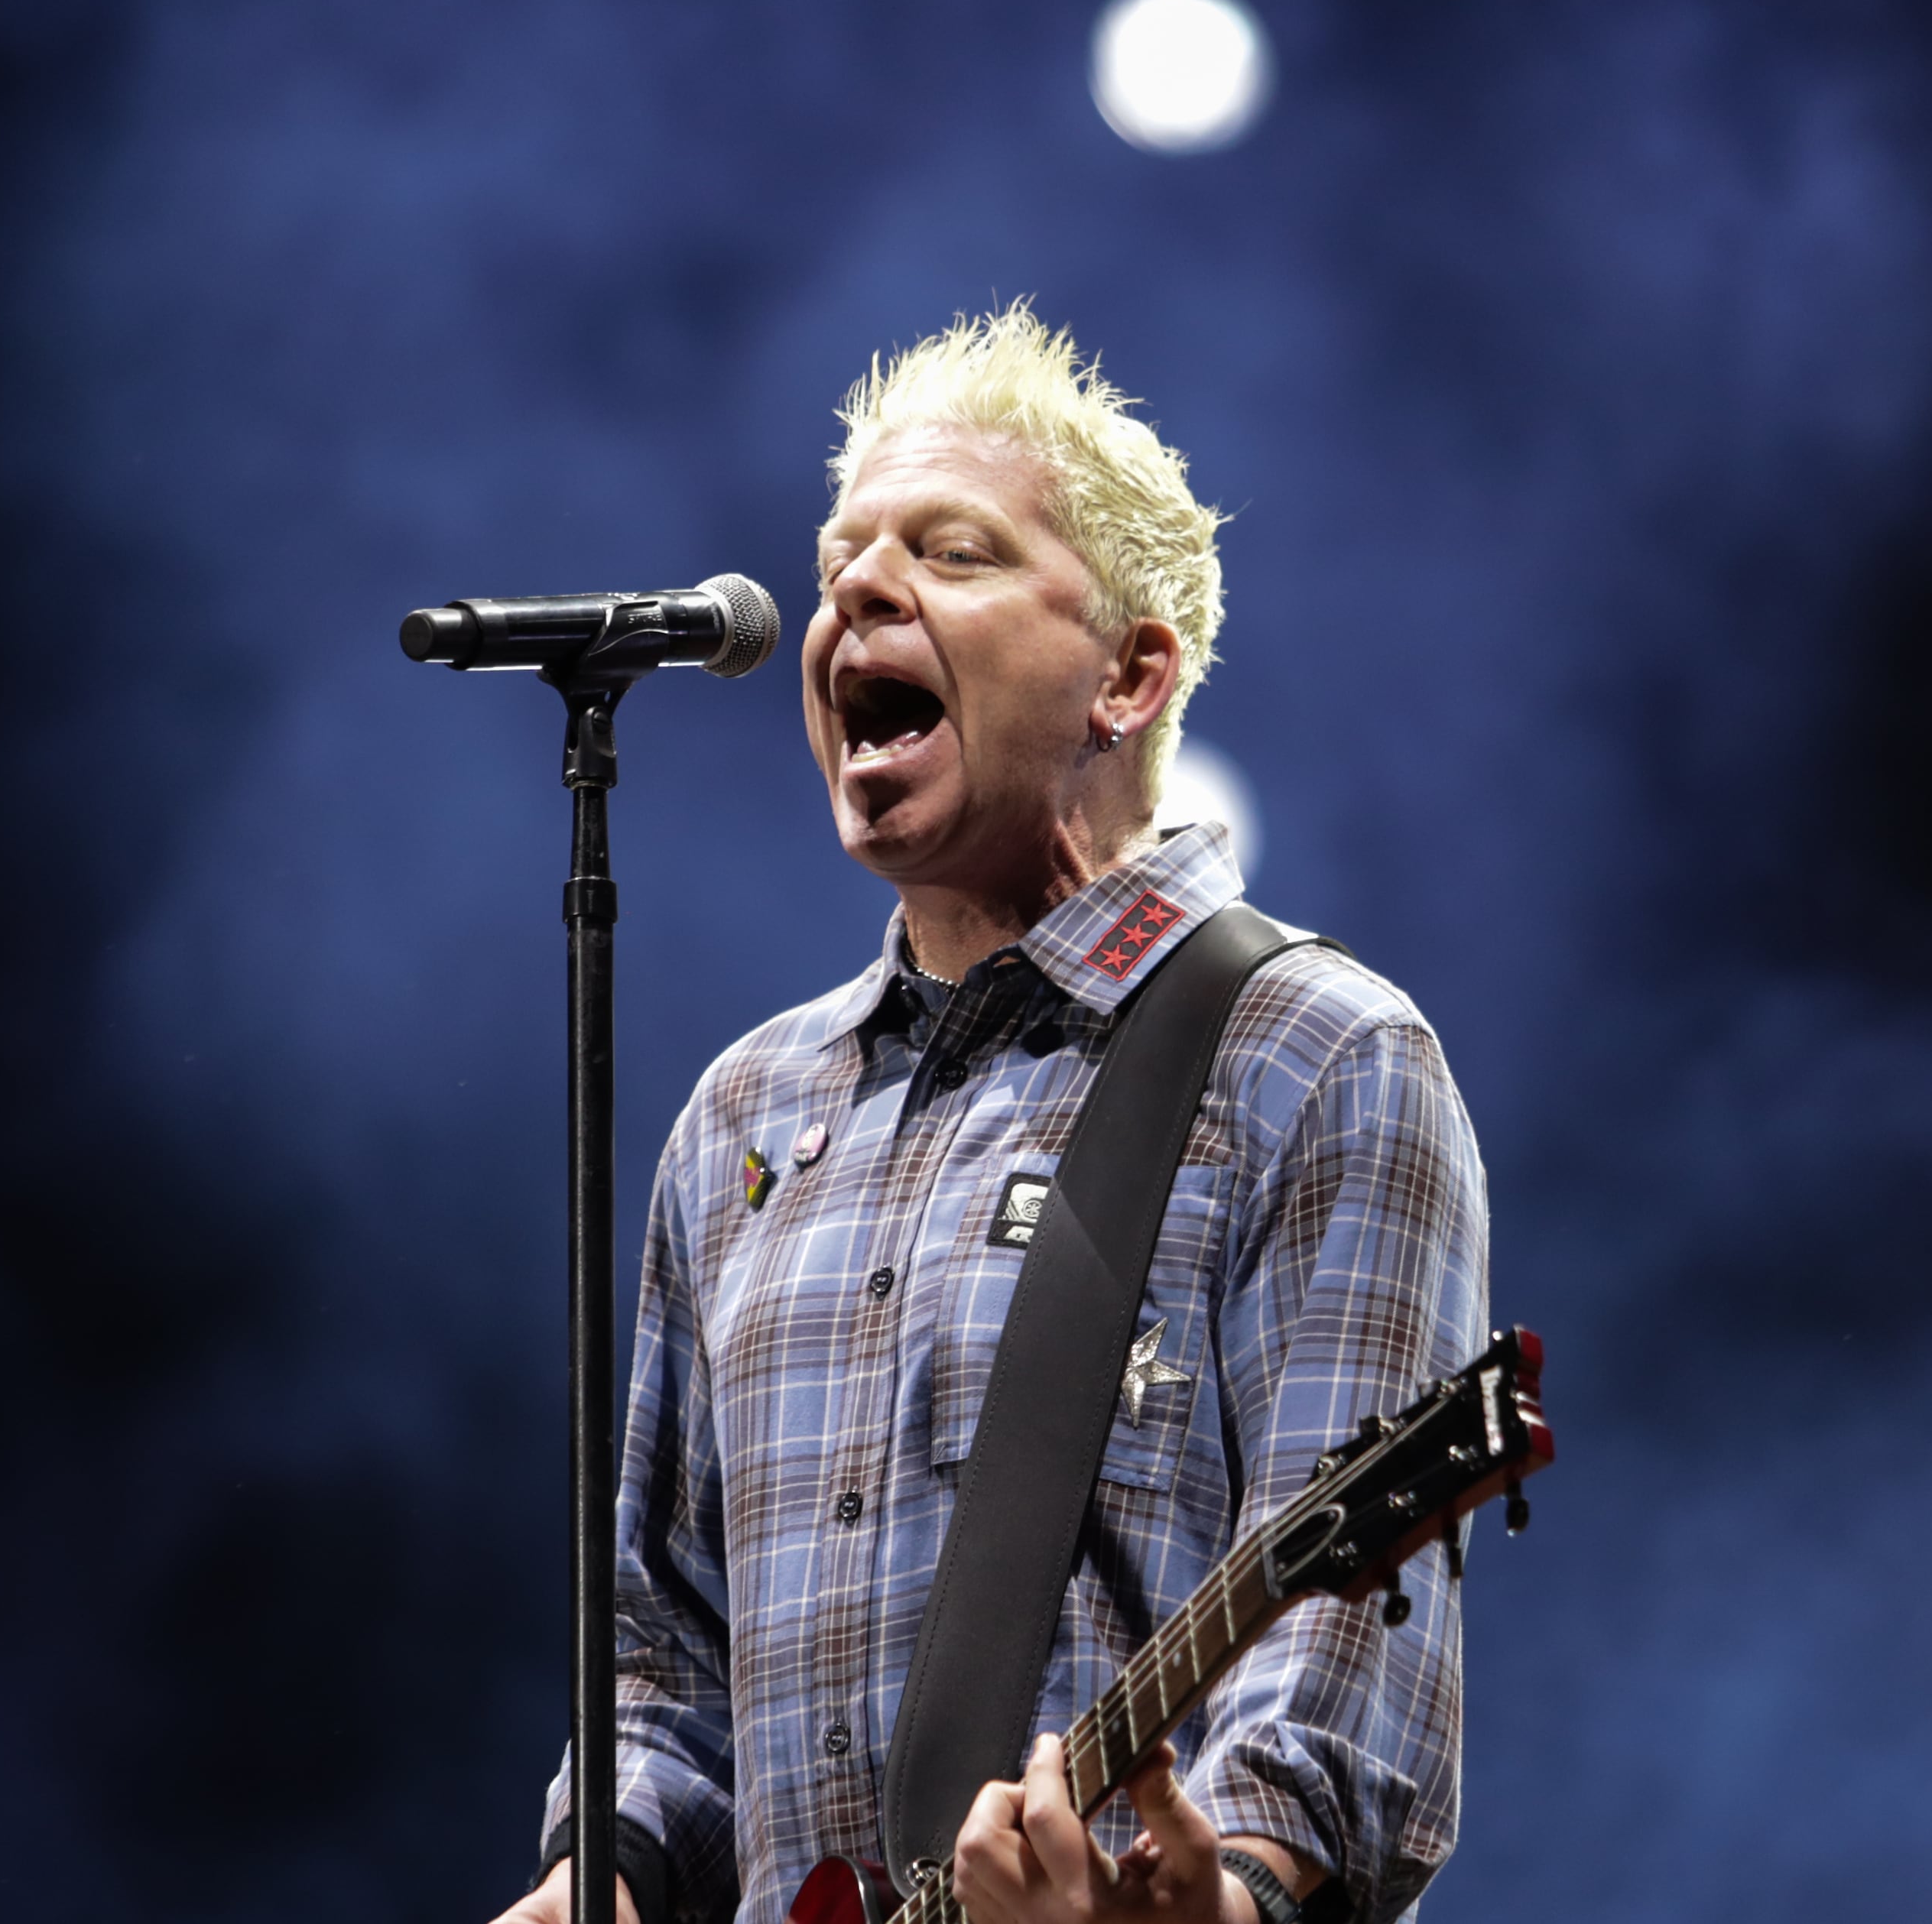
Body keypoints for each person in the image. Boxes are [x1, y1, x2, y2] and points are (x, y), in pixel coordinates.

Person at [492, 307, 1489, 1924]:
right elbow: (666, 1668)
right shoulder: (747, 1116)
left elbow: (1340, 1652)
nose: (858, 595)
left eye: (951, 553)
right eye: (839, 566)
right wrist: (591, 1882)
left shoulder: (1311, 1055)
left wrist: (1217, 1898)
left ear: (1129, 676)